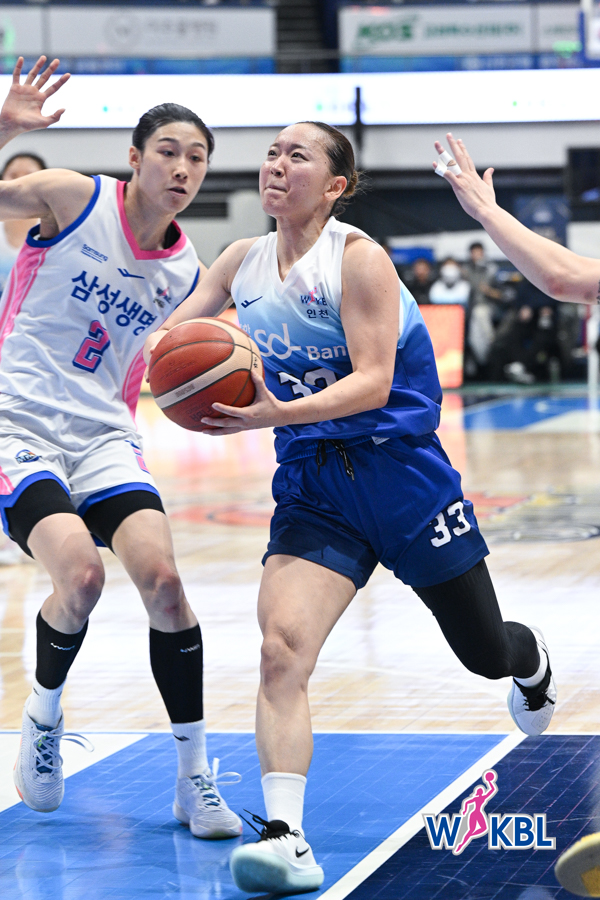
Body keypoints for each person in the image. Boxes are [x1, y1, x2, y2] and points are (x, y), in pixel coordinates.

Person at [145, 121, 557, 894]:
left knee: (483, 653)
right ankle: (286, 836)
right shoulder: (240, 261)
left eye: (297, 155)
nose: (277, 163)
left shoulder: (358, 258)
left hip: (401, 474)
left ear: (335, 186)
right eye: (272, 151)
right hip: (314, 485)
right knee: (281, 651)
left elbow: (372, 382)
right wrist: (160, 351)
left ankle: (528, 661)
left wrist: (274, 413)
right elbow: (176, 329)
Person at [0, 56, 241, 839]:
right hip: (19, 424)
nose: (182, 168)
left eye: (197, 157)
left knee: (166, 584)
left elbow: (173, 363)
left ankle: (194, 777)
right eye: (168, 151)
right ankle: (43, 715)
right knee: (80, 577)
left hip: (104, 433)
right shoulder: (73, 198)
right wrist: (5, 126)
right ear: (135, 158)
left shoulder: (186, 271)